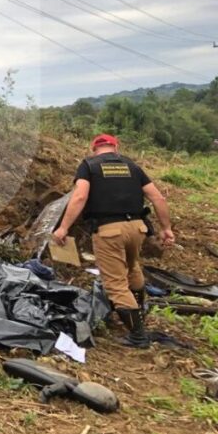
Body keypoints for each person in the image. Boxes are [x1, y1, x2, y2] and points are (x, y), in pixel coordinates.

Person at [52, 133, 175, 348]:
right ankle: (138, 317)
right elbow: (157, 197)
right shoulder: (132, 166)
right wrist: (166, 228)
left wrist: (63, 227)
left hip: (109, 231)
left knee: (115, 283)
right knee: (132, 269)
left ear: (93, 149)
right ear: (116, 148)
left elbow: (80, 197)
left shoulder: (88, 166)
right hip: (137, 228)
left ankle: (137, 336)